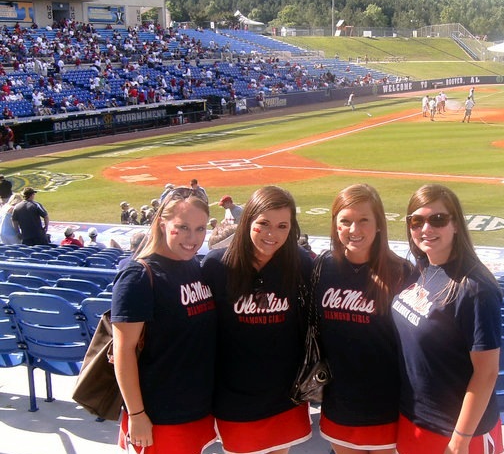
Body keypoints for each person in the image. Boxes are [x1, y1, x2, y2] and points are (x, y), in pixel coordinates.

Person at [391, 184, 503, 454]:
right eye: (416, 221)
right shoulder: (423, 268)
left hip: (457, 434)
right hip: (413, 421)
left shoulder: (475, 288)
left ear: (456, 225)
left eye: (437, 219)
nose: (425, 229)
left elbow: (486, 373)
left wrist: (460, 441)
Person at [201, 185, 313, 454]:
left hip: (286, 394)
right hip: (235, 396)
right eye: (263, 223)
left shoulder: (300, 263)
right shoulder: (216, 266)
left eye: (282, 226)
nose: (272, 234)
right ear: (248, 219)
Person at [111, 186, 217, 454]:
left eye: (200, 229)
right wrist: (137, 415)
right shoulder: (138, 276)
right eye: (182, 227)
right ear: (161, 223)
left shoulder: (193, 265)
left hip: (197, 407)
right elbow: (123, 352)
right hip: (160, 414)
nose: (192, 238)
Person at [313, 184, 415, 454]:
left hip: (386, 406)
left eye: (363, 221)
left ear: (379, 224)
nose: (354, 230)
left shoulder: (402, 273)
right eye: (345, 221)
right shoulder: (322, 268)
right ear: (335, 225)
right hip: (339, 403)